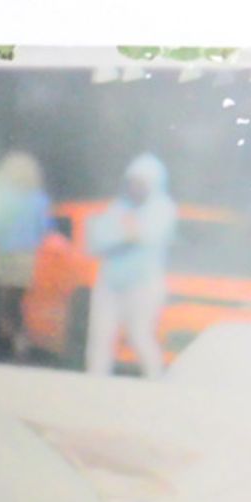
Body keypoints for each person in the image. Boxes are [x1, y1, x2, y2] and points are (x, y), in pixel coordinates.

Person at [84, 153, 177, 378]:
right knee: (101, 336)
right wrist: (125, 233)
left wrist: (124, 233)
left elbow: (146, 235)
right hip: (110, 282)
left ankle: (156, 382)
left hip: (143, 284)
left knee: (140, 335)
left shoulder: (163, 208)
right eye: (132, 182)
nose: (135, 187)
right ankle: (94, 383)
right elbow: (97, 240)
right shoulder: (118, 207)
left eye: (141, 182)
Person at [0, 151, 52, 360]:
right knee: (14, 303)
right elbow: (44, 229)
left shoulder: (0, 195)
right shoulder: (39, 199)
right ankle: (17, 343)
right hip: (25, 257)